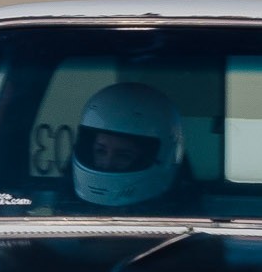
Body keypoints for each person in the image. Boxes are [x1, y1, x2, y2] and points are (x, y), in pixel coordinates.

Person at [67, 80, 188, 211]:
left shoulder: (185, 214)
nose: (107, 164)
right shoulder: (64, 205)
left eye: (123, 156)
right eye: (100, 151)